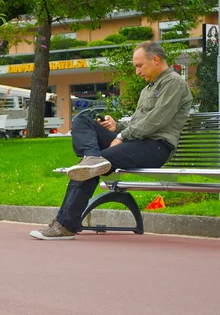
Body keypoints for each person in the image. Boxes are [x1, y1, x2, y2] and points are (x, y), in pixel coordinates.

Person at [30, 41, 193, 240]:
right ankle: (91, 156)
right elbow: (137, 123)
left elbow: (156, 121)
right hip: (136, 143)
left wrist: (122, 136)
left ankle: (64, 225)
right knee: (82, 121)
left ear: (156, 60)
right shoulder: (147, 90)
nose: (137, 71)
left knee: (92, 168)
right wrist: (117, 127)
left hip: (156, 147)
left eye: (139, 65)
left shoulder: (173, 82)